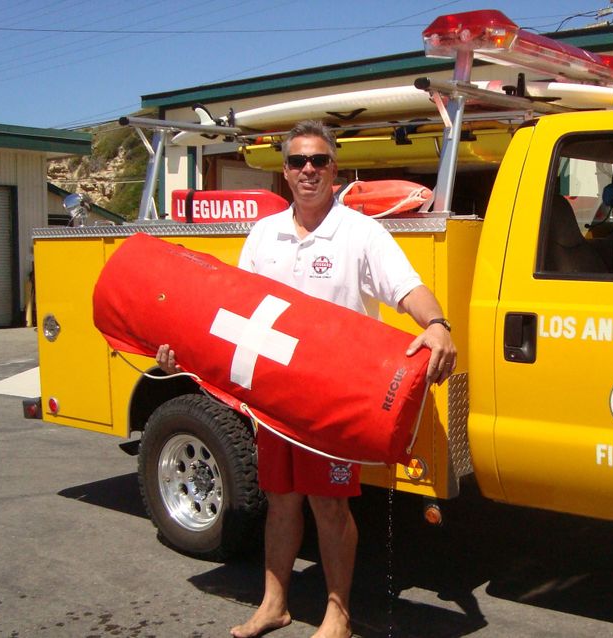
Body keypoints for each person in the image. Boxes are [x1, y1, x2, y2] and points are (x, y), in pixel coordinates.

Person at [156, 119, 456, 638]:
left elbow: (409, 290)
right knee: (280, 501)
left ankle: (337, 615)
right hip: (273, 400)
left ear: (334, 170)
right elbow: (230, 309)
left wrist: (436, 324)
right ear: (286, 172)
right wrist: (181, 351)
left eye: (319, 160)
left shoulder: (361, 234)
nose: (309, 170)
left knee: (330, 505)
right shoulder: (263, 234)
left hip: (331, 400)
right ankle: (274, 604)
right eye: (298, 162)